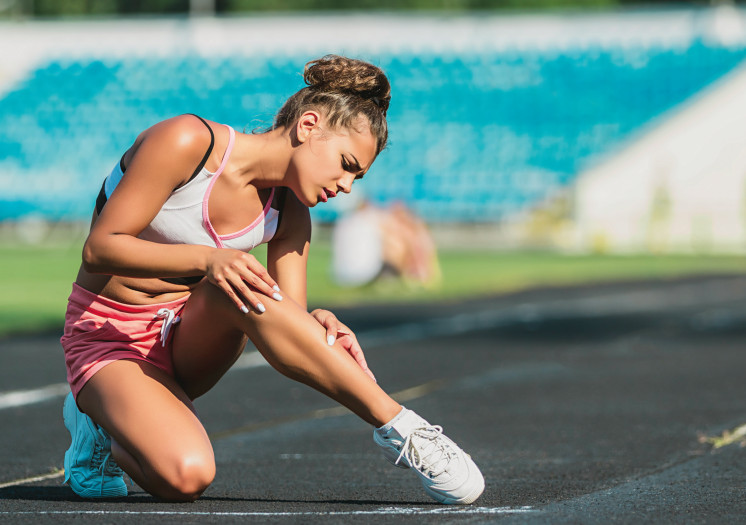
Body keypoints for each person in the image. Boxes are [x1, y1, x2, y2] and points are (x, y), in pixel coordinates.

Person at [60, 55, 484, 505]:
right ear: (307, 125)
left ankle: (405, 431)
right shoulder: (187, 141)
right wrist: (210, 259)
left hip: (188, 342)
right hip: (108, 337)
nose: (346, 186)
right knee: (187, 478)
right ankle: (100, 417)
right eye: (345, 163)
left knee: (246, 289)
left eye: (356, 177)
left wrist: (317, 322)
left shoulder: (292, 214)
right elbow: (100, 247)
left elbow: (283, 316)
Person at [332, 198, 442, 288]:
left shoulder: (345, 222)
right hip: (365, 273)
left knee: (395, 243)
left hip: (340, 275)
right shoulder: (376, 220)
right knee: (395, 244)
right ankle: (410, 275)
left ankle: (408, 274)